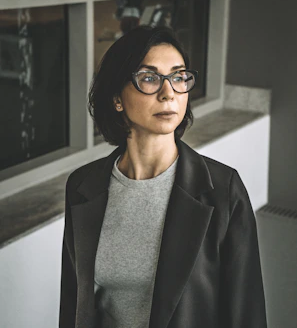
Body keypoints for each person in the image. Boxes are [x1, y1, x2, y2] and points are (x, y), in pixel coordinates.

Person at [59, 25, 267, 328]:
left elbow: (245, 314)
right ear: (117, 97)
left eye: (179, 77)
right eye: (149, 78)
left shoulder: (223, 191)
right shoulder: (82, 187)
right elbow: (74, 305)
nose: (168, 93)